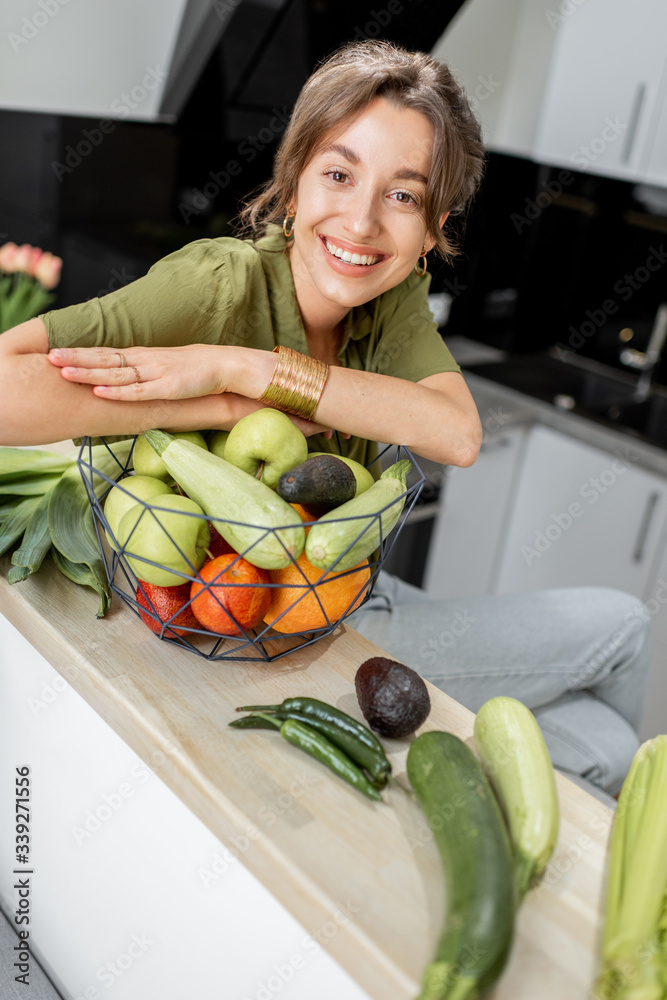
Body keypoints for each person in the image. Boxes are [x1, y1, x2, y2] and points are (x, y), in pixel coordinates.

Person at [0, 40, 650, 798]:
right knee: (626, 627)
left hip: (342, 591)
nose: (363, 222)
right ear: (295, 179)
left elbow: (456, 433)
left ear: (433, 226)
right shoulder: (221, 282)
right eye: (339, 175)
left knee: (601, 743)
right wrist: (219, 405)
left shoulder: (390, 294)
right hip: (280, 623)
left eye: (402, 196)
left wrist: (247, 368)